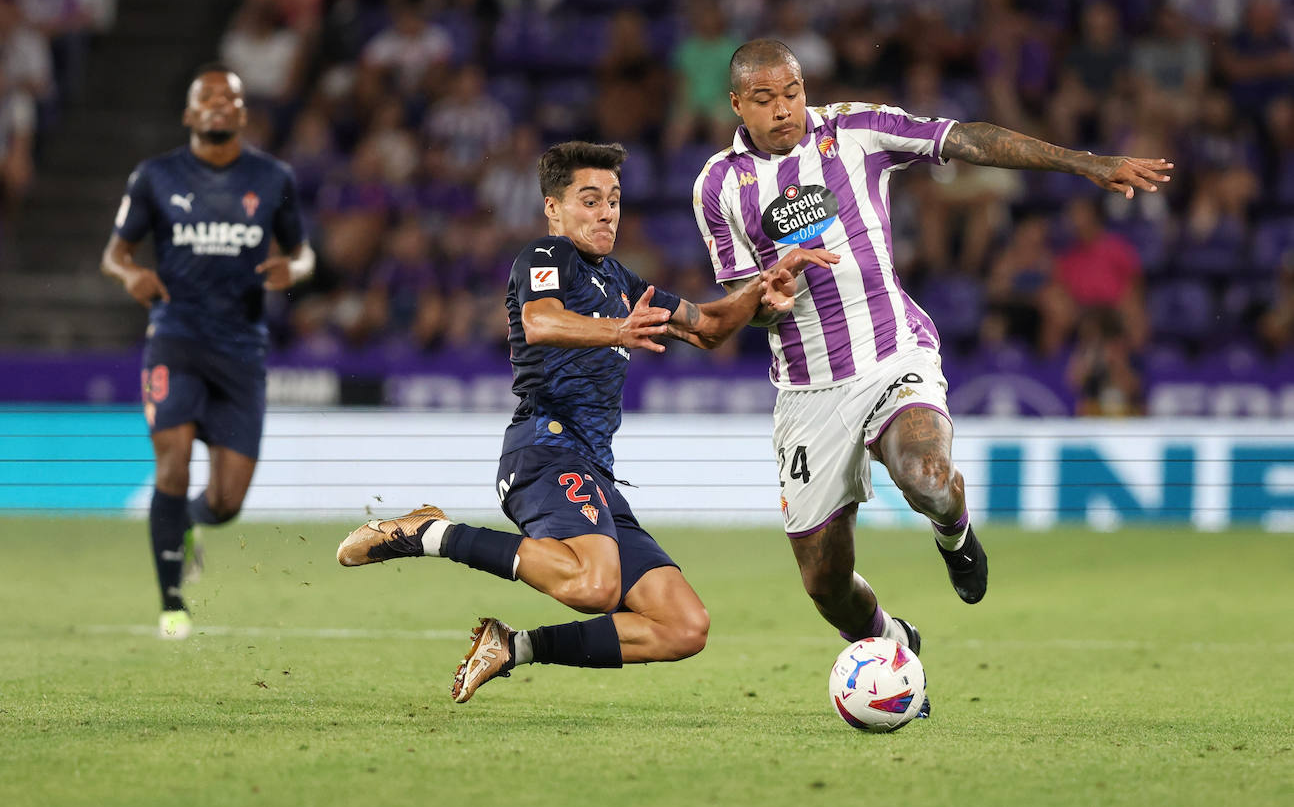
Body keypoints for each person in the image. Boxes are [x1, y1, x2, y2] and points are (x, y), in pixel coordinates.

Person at [692, 39, 1172, 653]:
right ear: (737, 104)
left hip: (894, 353)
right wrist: (768, 295)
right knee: (825, 583)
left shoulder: (856, 130)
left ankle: (955, 535)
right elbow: (737, 305)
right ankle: (893, 640)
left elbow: (966, 138)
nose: (783, 109)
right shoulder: (719, 186)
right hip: (806, 390)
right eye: (764, 100)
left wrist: (1084, 163)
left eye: (792, 93)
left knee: (928, 478)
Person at [337, 141, 836, 703]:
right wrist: (617, 331)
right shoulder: (546, 257)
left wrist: (765, 287)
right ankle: (430, 532)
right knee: (595, 586)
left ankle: (513, 647)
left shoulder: (620, 280)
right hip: (543, 448)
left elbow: (711, 326)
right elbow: (540, 321)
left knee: (683, 626)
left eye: (614, 201)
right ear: (554, 208)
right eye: (590, 200)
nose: (606, 213)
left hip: (595, 473)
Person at [100, 63, 315, 639]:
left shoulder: (273, 178)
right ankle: (172, 604)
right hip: (175, 339)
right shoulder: (155, 177)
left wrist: (290, 268)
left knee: (226, 502)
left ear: (242, 113)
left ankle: (190, 525)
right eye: (207, 97)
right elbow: (115, 253)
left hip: (241, 351)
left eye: (230, 97)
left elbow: (305, 255)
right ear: (190, 113)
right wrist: (131, 278)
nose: (219, 104)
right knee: (170, 463)